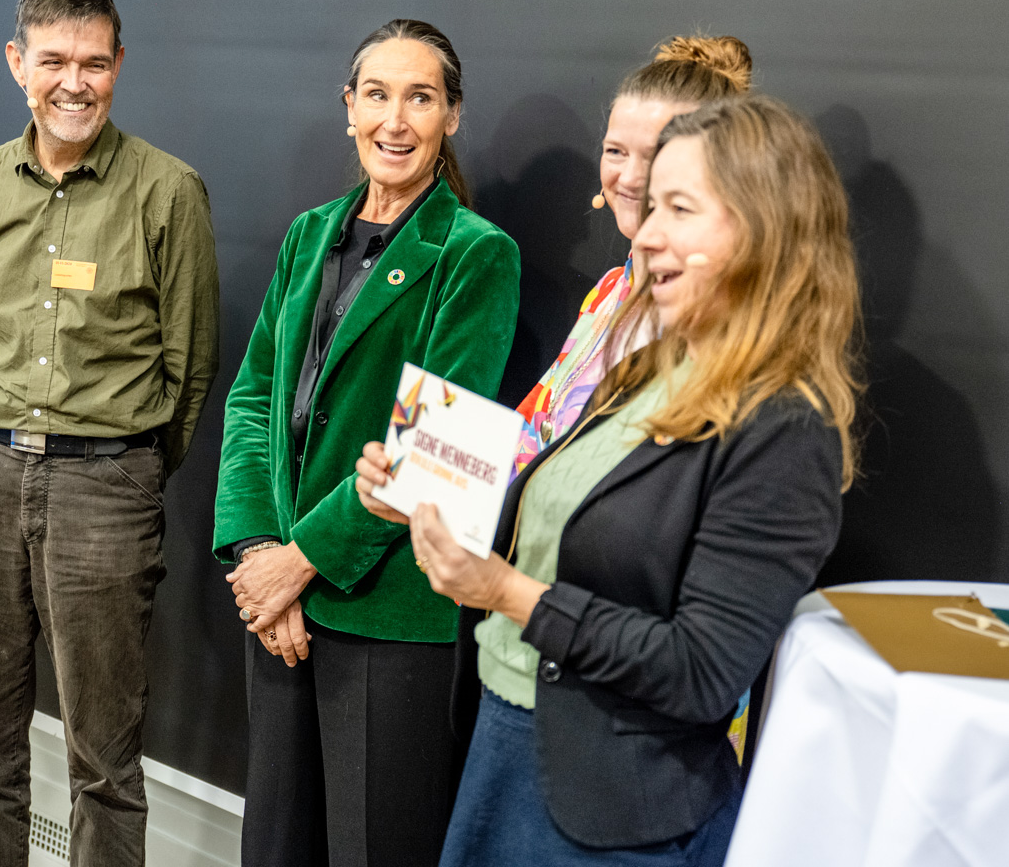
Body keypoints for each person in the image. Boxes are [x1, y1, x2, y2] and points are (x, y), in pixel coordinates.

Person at [357, 94, 862, 864]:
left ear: (767, 232)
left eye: (679, 208)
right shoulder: (653, 364)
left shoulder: (786, 430)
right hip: (509, 738)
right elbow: (558, 522)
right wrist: (428, 502)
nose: (648, 233)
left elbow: (698, 670)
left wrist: (504, 593)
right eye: (651, 206)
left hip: (614, 806)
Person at [0, 0, 219, 867]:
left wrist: (123, 465)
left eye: (94, 63)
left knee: (104, 759)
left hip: (106, 488)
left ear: (120, 65)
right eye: (53, 60)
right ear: (18, 63)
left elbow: (191, 364)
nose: (74, 82)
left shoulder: (169, 191)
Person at [215, 19, 521, 867]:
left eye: (420, 97)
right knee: (276, 847)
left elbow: (438, 450)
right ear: (349, 108)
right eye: (377, 95)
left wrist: (300, 561)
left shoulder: (476, 255)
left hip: (390, 611)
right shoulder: (310, 234)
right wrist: (258, 555)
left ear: (451, 115)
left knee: (374, 848)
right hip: (278, 604)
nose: (396, 119)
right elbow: (250, 401)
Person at [513, 35, 752, 475]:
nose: (630, 177)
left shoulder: (730, 318)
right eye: (615, 152)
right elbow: (539, 426)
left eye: (657, 155)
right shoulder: (608, 290)